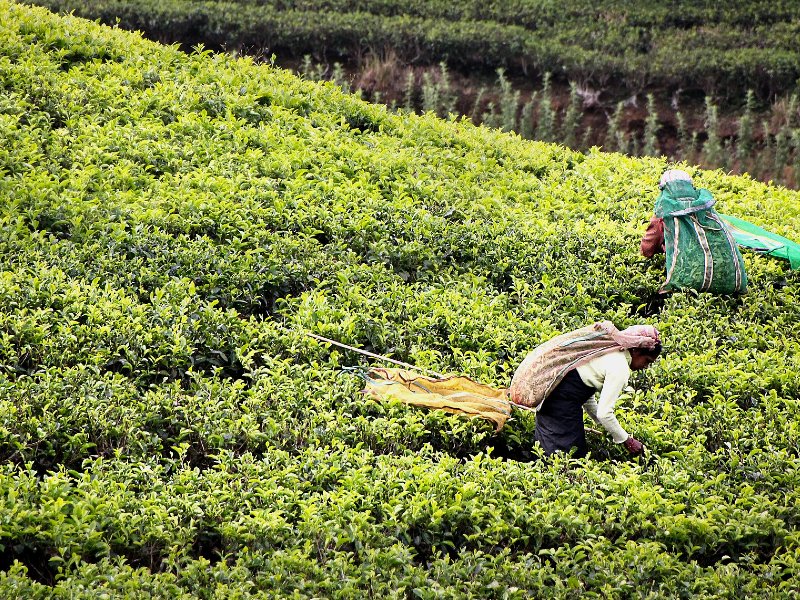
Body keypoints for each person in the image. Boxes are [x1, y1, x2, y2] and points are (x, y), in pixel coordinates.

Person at [508, 321, 661, 458]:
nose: (645, 367)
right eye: (646, 360)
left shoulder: (609, 352)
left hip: (553, 398)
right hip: (561, 403)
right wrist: (627, 440)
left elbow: (585, 394)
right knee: (568, 455)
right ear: (635, 350)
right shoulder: (620, 367)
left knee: (550, 451)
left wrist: (607, 428)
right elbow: (605, 413)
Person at [641, 169, 747, 294]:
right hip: (727, 278)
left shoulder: (664, 214)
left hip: (690, 283)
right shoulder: (706, 209)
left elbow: (646, 250)